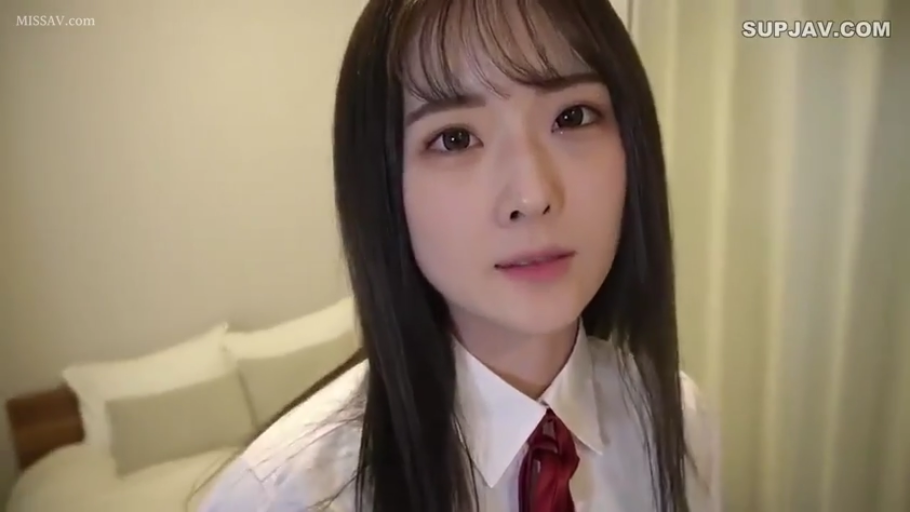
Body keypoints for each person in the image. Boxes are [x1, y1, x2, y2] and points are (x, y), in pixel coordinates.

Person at [198, 0, 722, 510]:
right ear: (383, 187)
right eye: (454, 139)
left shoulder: (675, 421)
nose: (531, 195)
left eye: (572, 116)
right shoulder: (281, 497)